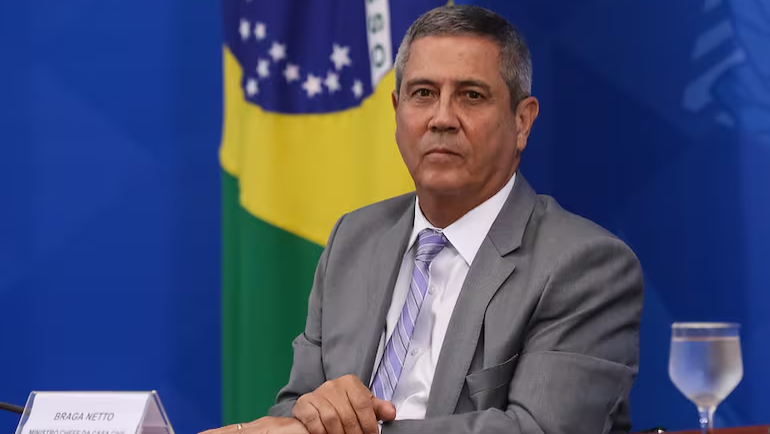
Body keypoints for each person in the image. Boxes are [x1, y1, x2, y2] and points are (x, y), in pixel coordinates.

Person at [202, 4, 644, 434]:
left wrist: (365, 430)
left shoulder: (584, 265)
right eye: (423, 94)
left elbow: (540, 429)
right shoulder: (353, 239)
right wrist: (309, 414)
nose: (442, 118)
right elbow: (295, 408)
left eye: (471, 95)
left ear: (522, 121)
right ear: (396, 110)